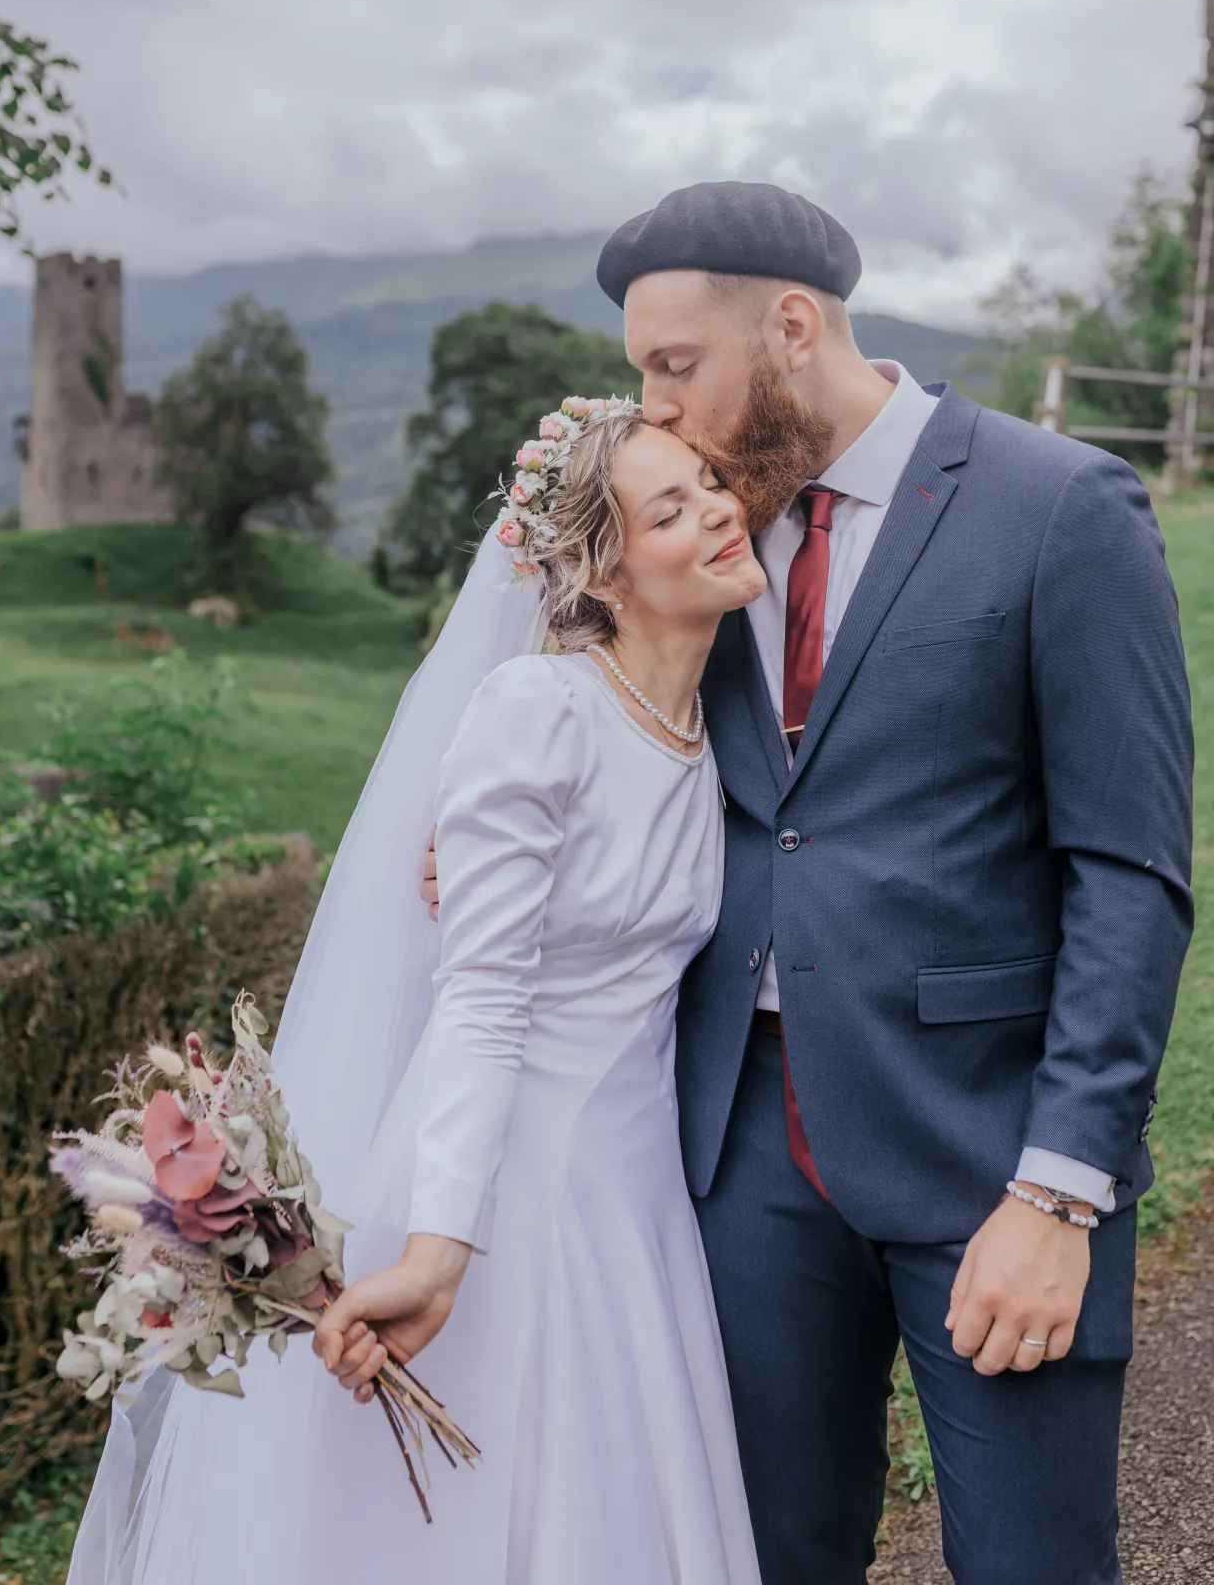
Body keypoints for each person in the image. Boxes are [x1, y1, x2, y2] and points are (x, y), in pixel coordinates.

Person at [591, 181, 1194, 1584]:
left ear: (791, 327)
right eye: (641, 376)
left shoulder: (1062, 511)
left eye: (675, 367)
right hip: (738, 1156)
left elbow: (1131, 876)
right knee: (765, 1560)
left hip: (989, 1150)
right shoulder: (700, 542)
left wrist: (1059, 1196)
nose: (654, 409)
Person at [68, 396, 767, 1584]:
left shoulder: (712, 726)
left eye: (708, 482)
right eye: (670, 507)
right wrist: (443, 1250)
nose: (717, 509)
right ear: (598, 573)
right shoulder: (536, 714)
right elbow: (481, 1001)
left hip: (637, 1203)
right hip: (508, 1202)